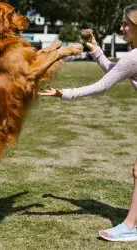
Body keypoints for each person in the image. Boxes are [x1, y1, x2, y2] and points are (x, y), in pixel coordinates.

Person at [39, 4, 137, 242]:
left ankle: (130, 227)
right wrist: (95, 49)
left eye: (126, 24)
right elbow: (115, 72)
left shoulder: (134, 56)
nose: (122, 27)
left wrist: (64, 93)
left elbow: (102, 85)